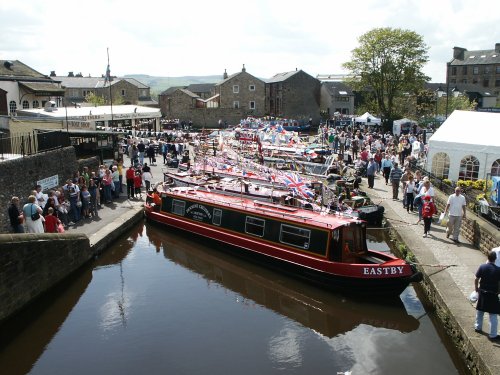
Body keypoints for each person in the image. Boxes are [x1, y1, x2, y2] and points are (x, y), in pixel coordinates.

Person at [474, 251, 500, 341]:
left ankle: (478, 327)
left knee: (480, 310)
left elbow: (476, 279)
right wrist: (498, 292)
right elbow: (499, 283)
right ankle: (493, 335)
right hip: (493, 294)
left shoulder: (482, 267)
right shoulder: (498, 269)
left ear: (487, 257)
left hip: (482, 292)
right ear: (495, 259)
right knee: (493, 314)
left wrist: (476, 288)